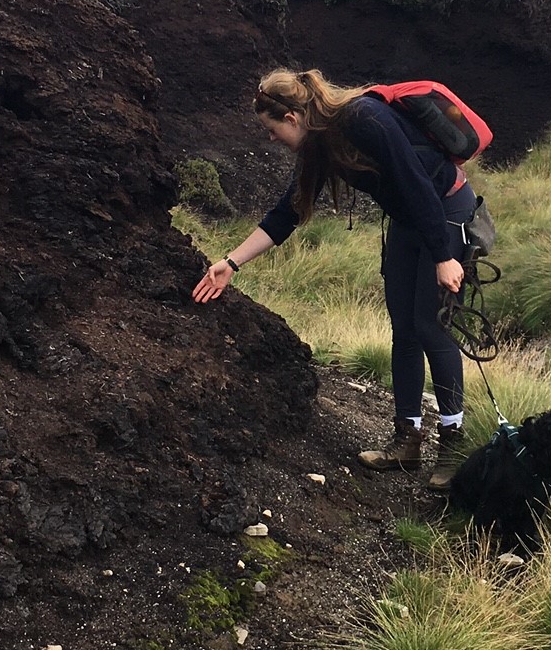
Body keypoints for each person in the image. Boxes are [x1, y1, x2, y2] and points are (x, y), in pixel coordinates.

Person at [191, 68, 475, 488]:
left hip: (445, 211)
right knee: (404, 329)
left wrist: (444, 257)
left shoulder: (364, 118)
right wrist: (230, 264)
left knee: (430, 328)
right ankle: (407, 442)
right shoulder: (318, 145)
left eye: (271, 130)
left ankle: (453, 447)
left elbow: (416, 184)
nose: (270, 140)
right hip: (408, 220)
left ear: (291, 118)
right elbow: (287, 212)